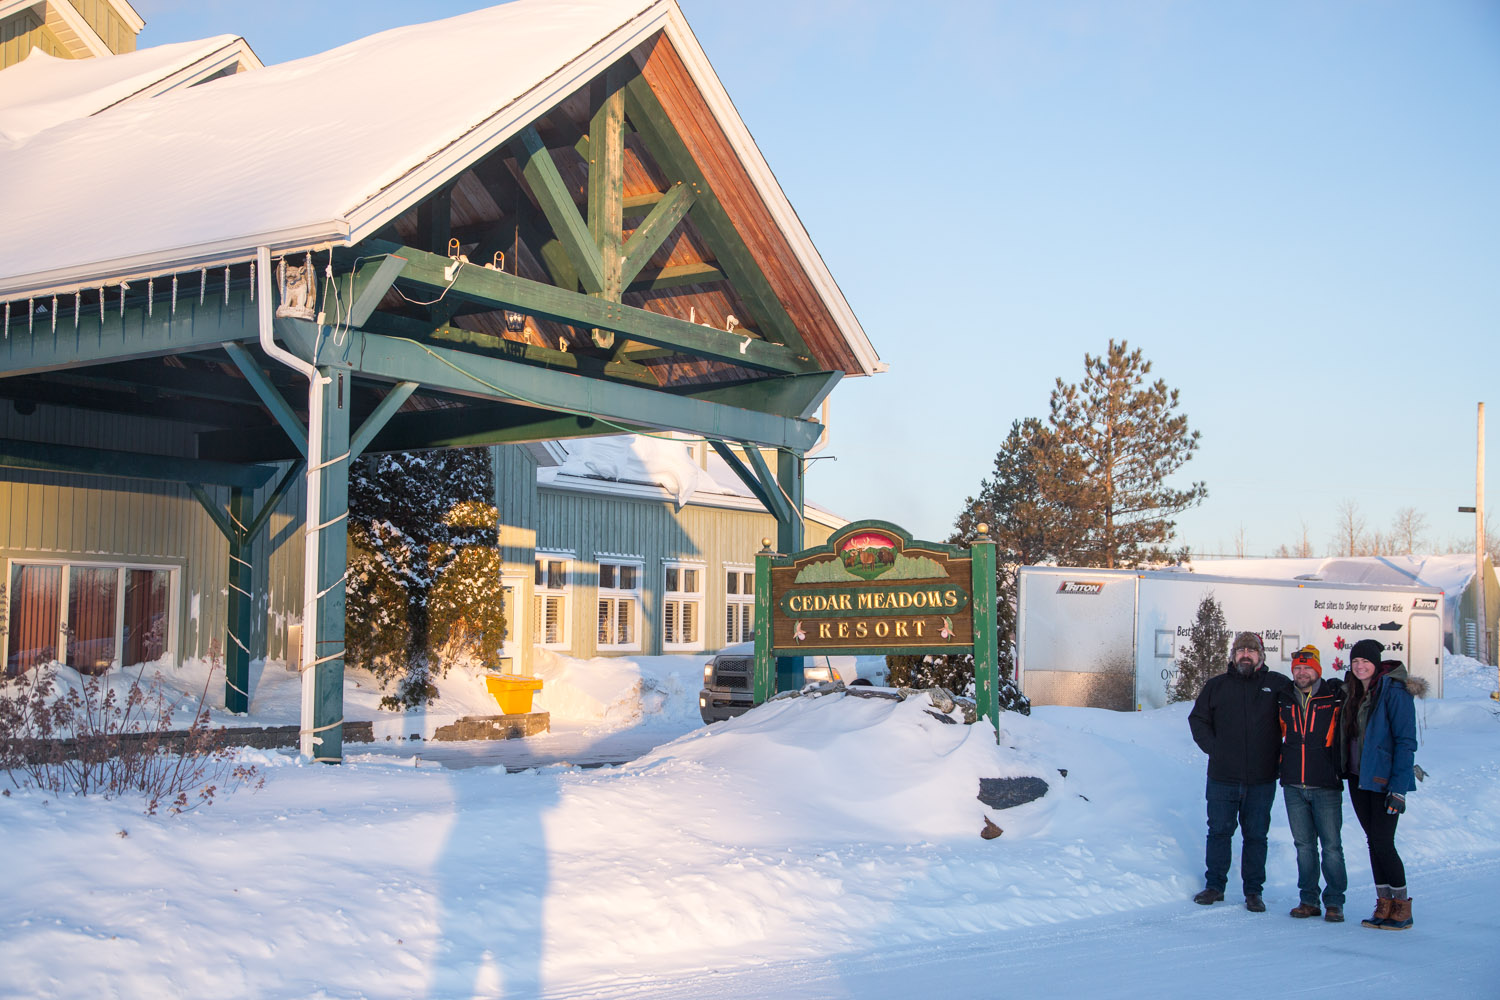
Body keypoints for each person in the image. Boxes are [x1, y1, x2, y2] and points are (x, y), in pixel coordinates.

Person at [1188, 631, 1291, 911]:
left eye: (1251, 650)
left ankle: (1253, 892)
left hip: (1262, 778)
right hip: (1222, 777)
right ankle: (1215, 886)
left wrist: (1282, 755)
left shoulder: (1277, 685)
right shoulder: (1216, 686)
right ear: (1233, 656)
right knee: (1219, 832)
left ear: (1261, 656)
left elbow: (1299, 714)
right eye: (1240, 650)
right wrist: (1215, 749)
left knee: (1256, 836)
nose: (1246, 654)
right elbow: (1197, 719)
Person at [1343, 638, 1421, 931]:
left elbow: (1405, 742)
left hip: (1384, 780)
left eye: (1365, 661)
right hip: (1357, 778)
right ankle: (1384, 904)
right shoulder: (1351, 692)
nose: (1360, 666)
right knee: (1373, 842)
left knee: (1383, 842)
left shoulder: (1394, 692)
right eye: (1355, 662)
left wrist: (1399, 788)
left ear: (1376, 664)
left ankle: (1402, 907)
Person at [1276, 644, 1346, 922]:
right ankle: (1308, 900)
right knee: (1303, 846)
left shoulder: (1334, 696)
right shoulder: (1285, 698)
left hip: (1325, 784)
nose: (1302, 672)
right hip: (1293, 784)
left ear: (1317, 670)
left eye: (1307, 668)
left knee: (1331, 846)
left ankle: (1334, 902)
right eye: (1297, 668)